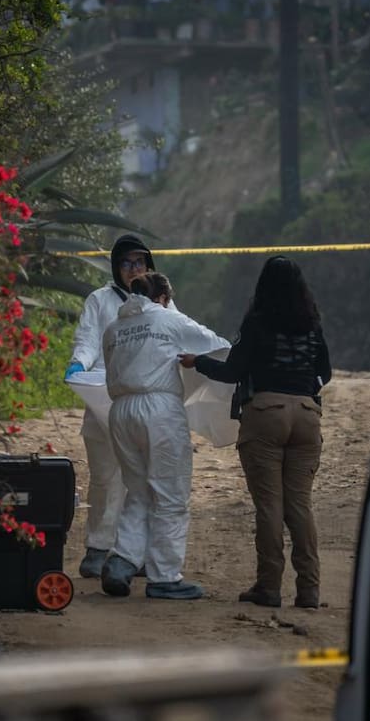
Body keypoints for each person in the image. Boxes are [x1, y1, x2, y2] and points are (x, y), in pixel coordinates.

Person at [180, 256, 330, 609]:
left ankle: (269, 586)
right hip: (307, 416)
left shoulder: (257, 323)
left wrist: (197, 361)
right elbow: (326, 372)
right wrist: (301, 389)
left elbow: (232, 371)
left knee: (270, 505)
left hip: (264, 415)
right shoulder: (312, 325)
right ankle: (309, 590)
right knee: (300, 505)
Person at [100, 273, 229, 600]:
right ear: (162, 298)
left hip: (121, 410)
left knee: (138, 490)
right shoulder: (169, 319)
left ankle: (122, 560)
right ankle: (164, 576)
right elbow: (217, 344)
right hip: (159, 409)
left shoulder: (114, 329)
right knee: (170, 493)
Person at [66, 234, 174, 580]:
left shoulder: (162, 302)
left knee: (143, 481)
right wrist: (79, 364)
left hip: (145, 402)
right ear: (115, 266)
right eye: (126, 263)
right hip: (103, 397)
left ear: (148, 265)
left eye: (139, 262)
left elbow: (178, 335)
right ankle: (98, 548)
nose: (133, 269)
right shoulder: (100, 300)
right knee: (106, 477)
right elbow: (87, 340)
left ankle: (133, 554)